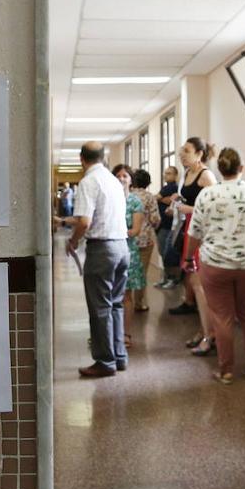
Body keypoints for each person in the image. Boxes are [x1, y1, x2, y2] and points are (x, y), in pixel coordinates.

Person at [189, 148, 245, 384]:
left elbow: (194, 232)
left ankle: (226, 370)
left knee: (222, 317)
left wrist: (187, 257)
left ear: (220, 170)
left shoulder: (207, 195)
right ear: (241, 168)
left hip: (215, 264)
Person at [67, 142, 129, 378]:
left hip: (102, 250)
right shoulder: (114, 180)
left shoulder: (88, 181)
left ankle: (104, 361)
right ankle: (119, 356)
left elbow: (85, 222)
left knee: (100, 307)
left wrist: (73, 241)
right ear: (102, 157)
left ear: (81, 159)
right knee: (115, 304)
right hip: (122, 247)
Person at [169, 137, 218, 356]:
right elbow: (192, 200)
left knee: (199, 285)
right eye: (181, 151)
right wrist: (178, 200)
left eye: (187, 151)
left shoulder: (206, 175)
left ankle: (210, 335)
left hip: (203, 232)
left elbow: (216, 205)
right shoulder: (189, 173)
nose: (182, 155)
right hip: (190, 229)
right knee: (195, 283)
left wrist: (188, 210)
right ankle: (205, 330)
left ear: (199, 154)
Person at [112, 164, 147, 320]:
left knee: (126, 296)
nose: (121, 179)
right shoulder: (109, 199)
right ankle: (109, 332)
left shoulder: (134, 202)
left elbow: (136, 230)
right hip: (110, 251)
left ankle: (125, 334)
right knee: (109, 296)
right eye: (118, 176)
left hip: (128, 252)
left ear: (131, 180)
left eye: (125, 176)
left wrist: (115, 232)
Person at [129, 169, 161, 312]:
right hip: (145, 240)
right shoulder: (149, 197)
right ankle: (139, 303)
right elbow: (155, 219)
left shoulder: (127, 196)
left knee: (127, 270)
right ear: (148, 182)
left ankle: (125, 300)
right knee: (141, 272)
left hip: (128, 238)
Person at [154, 166, 182, 288]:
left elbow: (156, 198)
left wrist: (162, 199)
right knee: (163, 253)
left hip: (169, 226)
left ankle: (172, 279)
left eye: (169, 173)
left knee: (168, 254)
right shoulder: (166, 188)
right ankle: (166, 278)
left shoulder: (172, 187)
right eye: (165, 173)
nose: (166, 175)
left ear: (175, 176)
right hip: (162, 226)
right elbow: (160, 200)